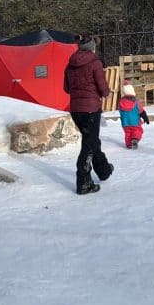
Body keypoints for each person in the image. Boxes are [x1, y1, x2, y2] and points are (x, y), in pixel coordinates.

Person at [64, 34, 112, 195]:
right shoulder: (95, 62)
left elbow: (66, 88)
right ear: (92, 47)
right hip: (91, 108)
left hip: (76, 109)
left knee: (91, 140)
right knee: (89, 145)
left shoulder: (70, 64)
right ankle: (83, 182)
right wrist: (106, 93)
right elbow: (102, 85)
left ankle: (103, 170)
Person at [117, 80, 150, 149]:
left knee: (128, 133)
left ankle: (129, 145)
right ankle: (135, 139)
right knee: (138, 130)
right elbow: (141, 111)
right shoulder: (136, 102)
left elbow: (120, 110)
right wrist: (145, 118)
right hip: (135, 122)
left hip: (125, 122)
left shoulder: (121, 102)